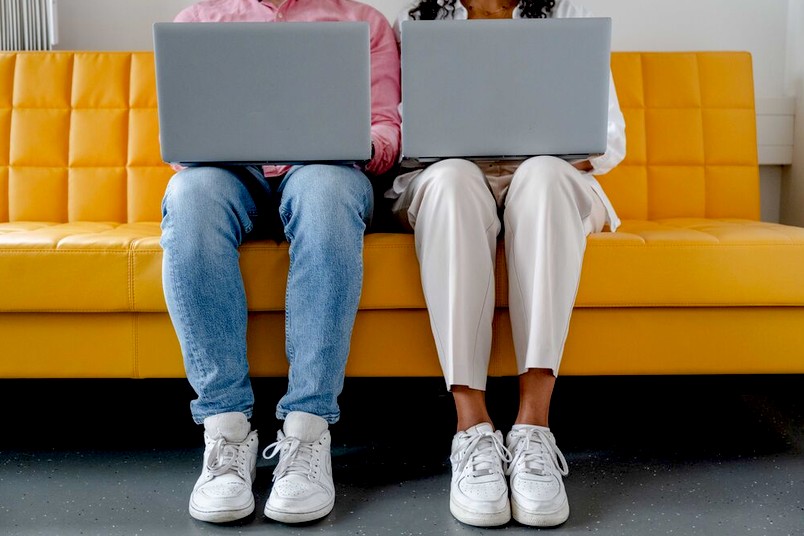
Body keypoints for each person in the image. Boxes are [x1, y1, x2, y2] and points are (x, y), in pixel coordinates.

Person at [159, 0, 400, 524]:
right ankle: (225, 432)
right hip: (228, 171)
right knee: (188, 195)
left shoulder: (364, 22)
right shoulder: (196, 24)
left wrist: (357, 141)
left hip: (324, 167)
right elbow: (181, 142)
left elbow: (386, 126)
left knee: (328, 193)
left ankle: (307, 435)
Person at [387, 0, 625, 528]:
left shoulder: (570, 16)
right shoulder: (418, 22)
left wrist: (534, 152)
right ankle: (471, 432)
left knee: (541, 178)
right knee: (451, 182)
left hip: (551, 172)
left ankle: (534, 427)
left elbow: (608, 141)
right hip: (446, 172)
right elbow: (400, 135)